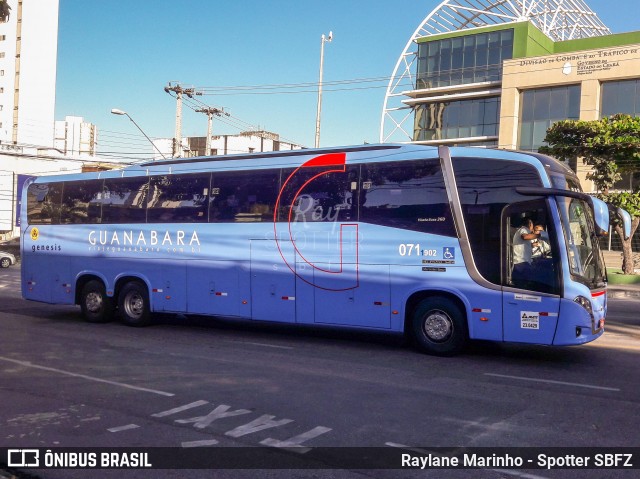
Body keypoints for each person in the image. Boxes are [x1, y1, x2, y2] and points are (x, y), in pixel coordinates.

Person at [512, 217, 541, 286]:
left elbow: (523, 244)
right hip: (521, 262)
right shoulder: (524, 229)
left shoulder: (521, 230)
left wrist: (532, 245)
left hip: (522, 262)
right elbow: (524, 237)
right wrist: (539, 235)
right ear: (530, 224)